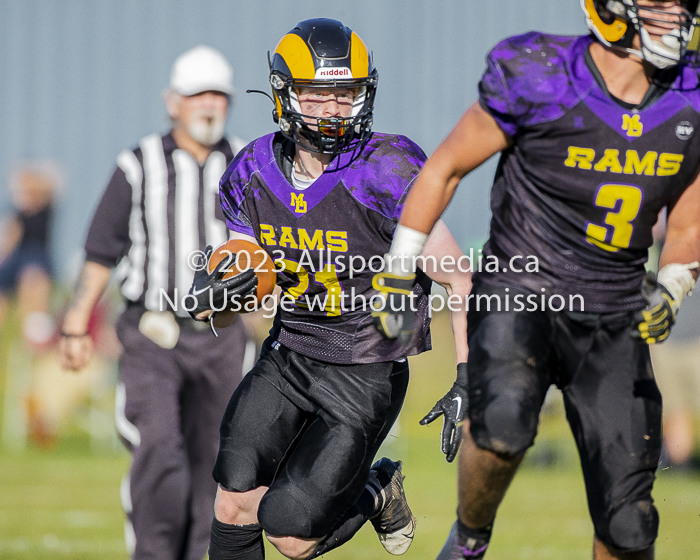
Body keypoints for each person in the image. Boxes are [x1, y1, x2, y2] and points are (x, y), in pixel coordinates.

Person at [372, 2, 700, 559]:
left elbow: (689, 217)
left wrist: (672, 282)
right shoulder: (544, 75)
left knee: (629, 524)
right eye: (658, 7)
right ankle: (469, 539)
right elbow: (445, 167)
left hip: (614, 307)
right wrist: (399, 266)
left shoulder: (688, 95)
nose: (677, 20)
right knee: (501, 427)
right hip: (520, 287)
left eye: (682, 8)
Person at [189, 19, 470, 560]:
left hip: (366, 366)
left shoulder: (386, 170)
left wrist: (467, 377)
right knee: (234, 499)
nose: (334, 110)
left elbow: (460, 276)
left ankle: (375, 490)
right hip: (291, 350)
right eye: (318, 96)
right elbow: (243, 293)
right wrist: (218, 299)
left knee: (291, 535)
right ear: (284, 94)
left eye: (346, 96)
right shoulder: (251, 170)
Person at [59, 45, 252, 560]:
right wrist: (77, 324)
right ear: (173, 101)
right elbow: (101, 250)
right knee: (161, 452)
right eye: (197, 95)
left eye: (218, 95)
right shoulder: (138, 163)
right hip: (152, 333)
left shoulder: (246, 164)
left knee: (219, 463)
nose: (209, 104)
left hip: (223, 336)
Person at [0, 160, 62, 348]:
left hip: (35, 259)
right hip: (16, 258)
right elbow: (9, 240)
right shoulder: (16, 214)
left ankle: (34, 328)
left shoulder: (45, 207)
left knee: (33, 279)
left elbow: (52, 184)